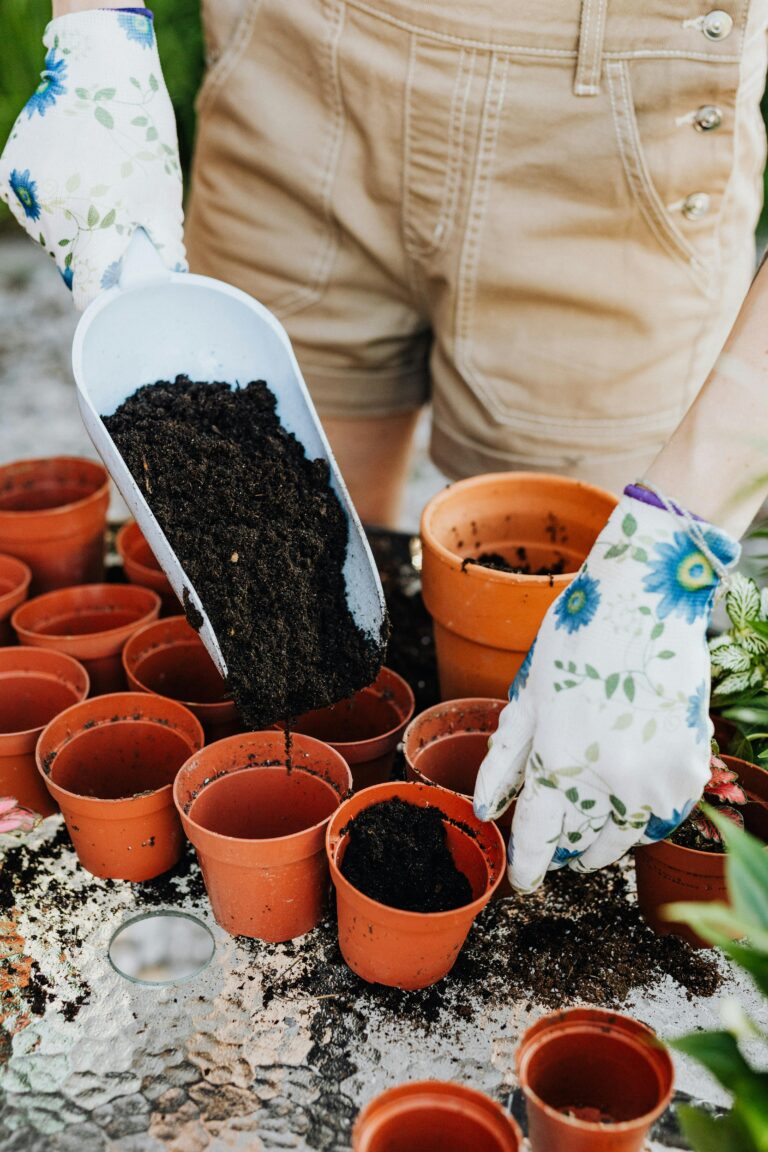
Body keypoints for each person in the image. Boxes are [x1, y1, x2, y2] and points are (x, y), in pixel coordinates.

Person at [2, 1, 767, 891]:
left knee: (566, 680)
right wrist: (96, 25)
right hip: (297, 65)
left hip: (619, 134)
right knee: (295, 544)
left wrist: (673, 542)